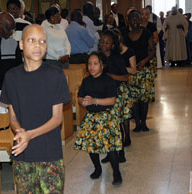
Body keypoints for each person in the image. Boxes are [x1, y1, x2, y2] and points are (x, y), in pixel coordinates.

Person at [0, 24, 71, 194]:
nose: (38, 45)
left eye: (42, 41)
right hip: (23, 155)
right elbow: (13, 116)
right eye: (31, 40)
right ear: (21, 45)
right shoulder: (11, 77)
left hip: (50, 153)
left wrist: (29, 135)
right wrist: (19, 131)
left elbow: (57, 118)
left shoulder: (56, 75)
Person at [74, 51, 123, 185]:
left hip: (106, 116)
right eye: (89, 64)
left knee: (111, 147)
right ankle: (97, 168)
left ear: (102, 65)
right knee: (92, 146)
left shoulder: (108, 80)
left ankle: (116, 172)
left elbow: (112, 100)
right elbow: (80, 96)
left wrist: (94, 100)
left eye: (95, 63)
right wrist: (82, 101)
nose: (92, 66)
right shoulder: (86, 81)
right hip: (91, 117)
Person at [99, 30, 132, 163]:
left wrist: (109, 76)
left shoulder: (117, 58)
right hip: (104, 94)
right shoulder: (99, 57)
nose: (104, 44)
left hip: (118, 93)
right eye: (102, 42)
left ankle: (121, 152)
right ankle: (109, 153)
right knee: (107, 126)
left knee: (117, 125)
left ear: (113, 45)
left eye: (107, 42)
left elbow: (125, 77)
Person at [121, 10, 156, 132]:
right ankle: (137, 123)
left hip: (143, 69)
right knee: (133, 100)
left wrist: (144, 61)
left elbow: (152, 50)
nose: (135, 21)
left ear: (140, 20)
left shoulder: (146, 33)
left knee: (144, 99)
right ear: (128, 21)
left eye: (137, 18)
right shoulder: (123, 32)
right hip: (130, 71)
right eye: (132, 19)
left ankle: (144, 123)